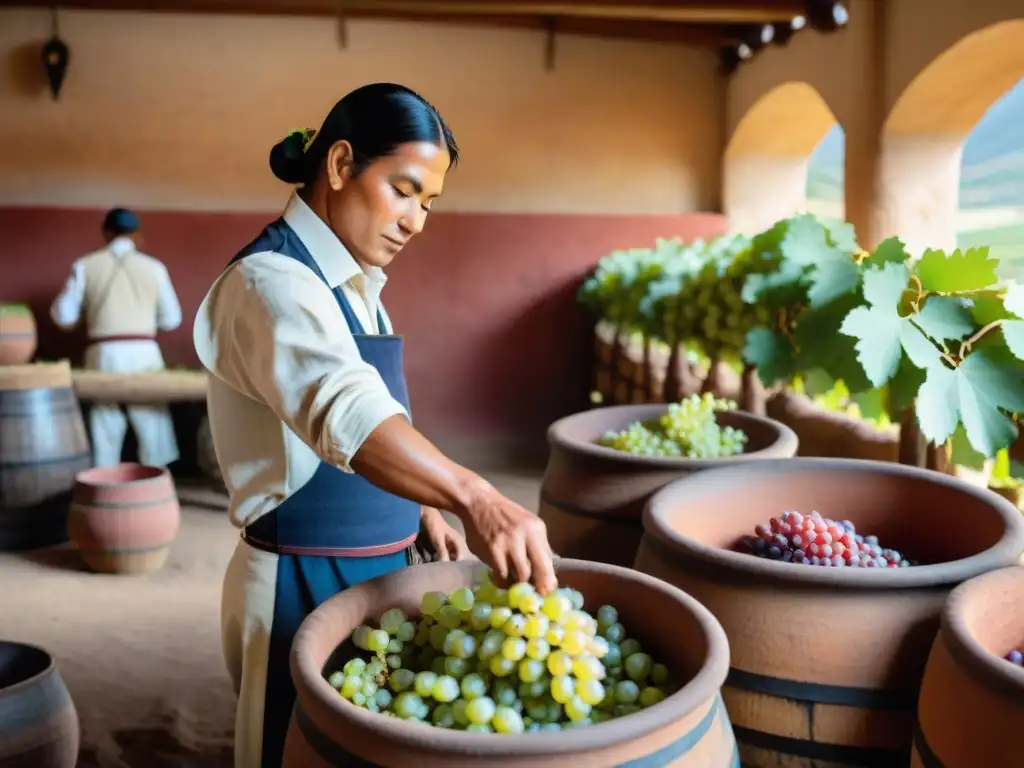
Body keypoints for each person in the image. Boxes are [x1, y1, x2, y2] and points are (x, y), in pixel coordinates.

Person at [192, 83, 556, 768]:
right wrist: (475, 496)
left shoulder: (357, 288)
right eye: (404, 190)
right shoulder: (271, 285)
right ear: (338, 166)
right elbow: (347, 411)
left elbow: (381, 412)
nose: (417, 220)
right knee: (289, 751)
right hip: (299, 579)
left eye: (429, 203)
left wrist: (418, 505)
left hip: (373, 574)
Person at [51, 207, 182, 468]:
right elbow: (172, 319)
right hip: (144, 352)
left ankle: (105, 487)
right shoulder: (155, 267)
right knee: (152, 422)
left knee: (104, 422)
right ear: (135, 234)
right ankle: (159, 486)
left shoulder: (84, 265)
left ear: (106, 232)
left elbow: (63, 317)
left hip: (104, 353)